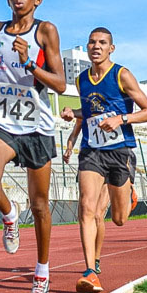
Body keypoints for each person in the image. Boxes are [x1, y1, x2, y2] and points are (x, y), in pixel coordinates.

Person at [0, 0, 65, 293]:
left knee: (40, 205)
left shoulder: (46, 30)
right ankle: (10, 215)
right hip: (5, 122)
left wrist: (29, 62)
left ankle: (41, 273)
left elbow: (59, 84)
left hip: (37, 126)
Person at [70, 28, 147, 293]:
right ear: (87, 47)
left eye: (102, 43)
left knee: (118, 218)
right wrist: (72, 113)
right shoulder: (81, 79)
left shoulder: (122, 74)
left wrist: (122, 119)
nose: (96, 47)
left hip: (120, 151)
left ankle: (128, 191)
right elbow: (89, 111)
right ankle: (90, 271)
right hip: (92, 150)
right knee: (87, 208)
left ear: (111, 48)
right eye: (92, 42)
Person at [62, 110, 108, 276]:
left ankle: (96, 258)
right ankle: (90, 265)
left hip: (109, 160)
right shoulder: (85, 110)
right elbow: (73, 135)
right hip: (90, 161)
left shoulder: (111, 102)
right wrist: (69, 149)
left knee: (98, 215)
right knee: (88, 212)